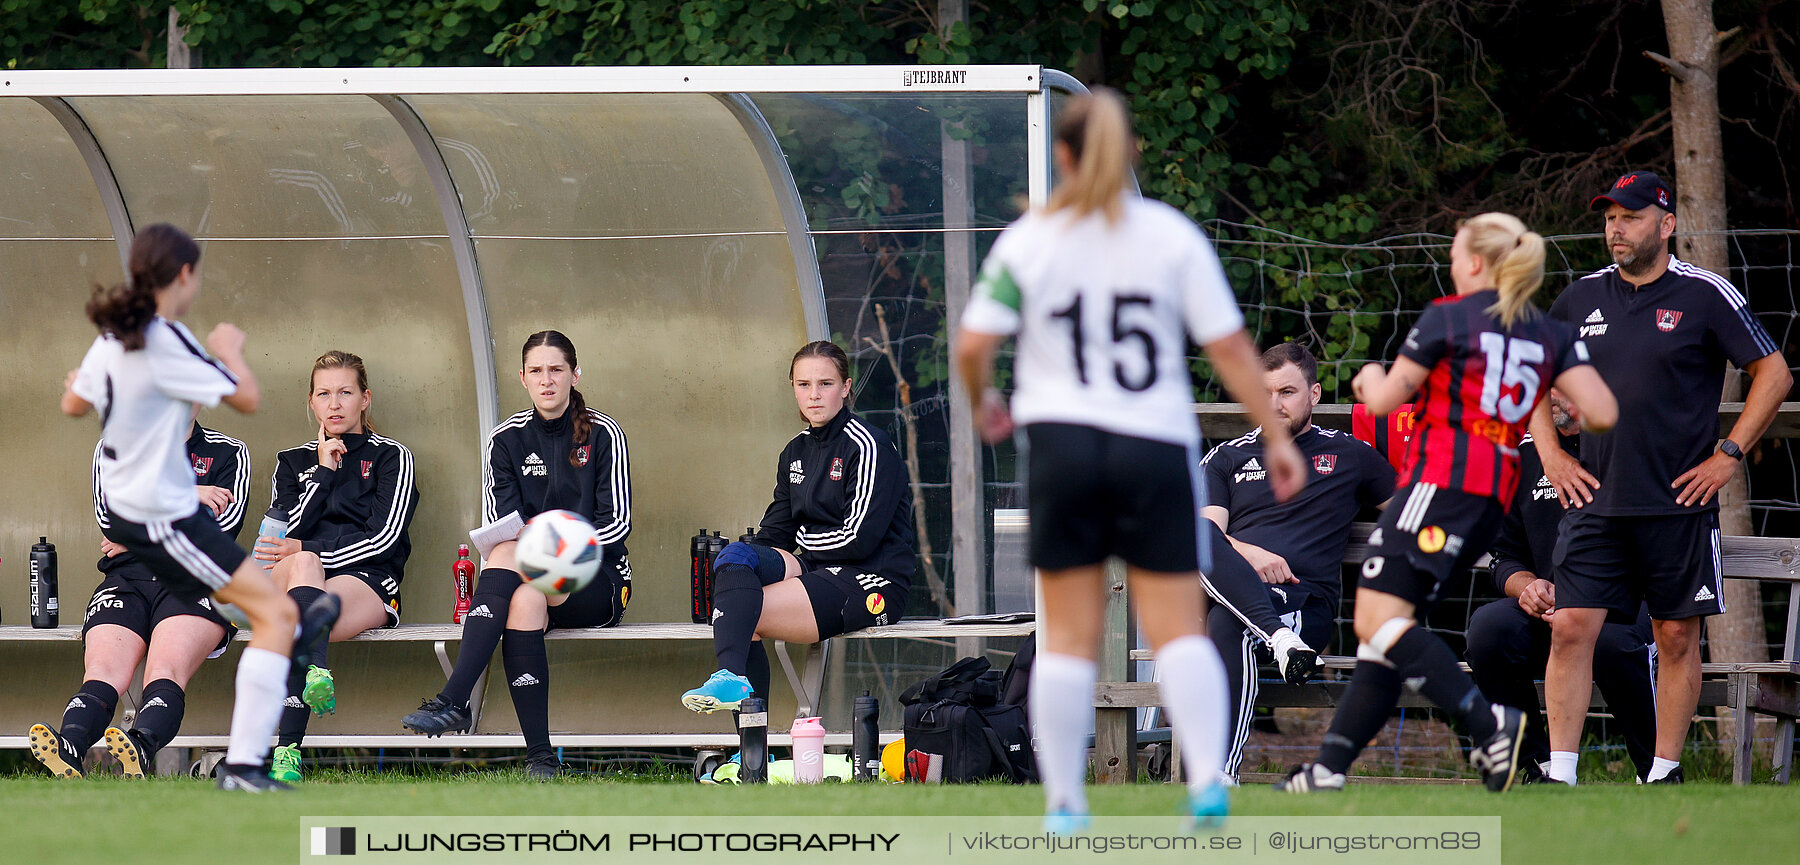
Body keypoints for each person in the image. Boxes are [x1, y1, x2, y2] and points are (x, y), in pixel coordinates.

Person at [954, 87, 1307, 833]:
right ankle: (1208, 782)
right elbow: (1231, 350)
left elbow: (974, 343)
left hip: (1064, 446)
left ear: (1062, 156)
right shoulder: (1169, 235)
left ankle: (1064, 803)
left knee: (1067, 631)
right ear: (1131, 154)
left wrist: (986, 399)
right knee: (1178, 624)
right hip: (1151, 443)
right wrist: (1275, 439)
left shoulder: (1031, 239)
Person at [1279, 211, 1617, 794]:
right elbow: (1603, 412)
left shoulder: (1449, 318)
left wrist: (1364, 379)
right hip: (1492, 494)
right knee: (1388, 632)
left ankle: (1490, 727)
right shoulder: (1550, 334)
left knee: (1374, 620)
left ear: (1478, 264)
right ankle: (1329, 769)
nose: (1451, 263)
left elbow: (1384, 401)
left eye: (1457, 253)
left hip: (1439, 486)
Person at [58, 222, 339, 792]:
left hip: (134, 520)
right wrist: (230, 352)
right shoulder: (171, 339)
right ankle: (246, 764)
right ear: (183, 276)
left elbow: (71, 404)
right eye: (197, 275)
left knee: (272, 614)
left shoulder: (110, 339)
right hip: (167, 520)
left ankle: (246, 754)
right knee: (276, 615)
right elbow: (247, 398)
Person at [1535, 171, 1790, 785]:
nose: (1615, 229)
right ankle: (1561, 773)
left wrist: (1729, 453)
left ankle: (1664, 771)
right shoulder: (1578, 298)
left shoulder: (1706, 294)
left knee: (1675, 635)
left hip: (1679, 500)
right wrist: (1551, 453)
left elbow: (1775, 374)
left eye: (1630, 217)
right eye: (1609, 218)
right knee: (1570, 628)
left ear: (1666, 223)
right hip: (1594, 498)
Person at [402, 331, 631, 780]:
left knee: (513, 555)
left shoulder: (604, 433)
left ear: (574, 374)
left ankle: (454, 699)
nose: (547, 381)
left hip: (596, 579)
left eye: (556, 370)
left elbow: (617, 524)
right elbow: (498, 524)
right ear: (521, 378)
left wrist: (552, 544)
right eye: (536, 371)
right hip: (530, 584)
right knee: (522, 594)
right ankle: (541, 758)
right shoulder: (506, 439)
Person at [678, 340, 914, 720]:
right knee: (735, 556)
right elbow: (776, 531)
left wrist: (800, 550)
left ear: (846, 387)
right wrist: (748, 563)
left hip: (874, 578)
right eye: (804, 385)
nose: (814, 395)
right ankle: (743, 726)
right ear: (793, 388)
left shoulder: (869, 444)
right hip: (819, 569)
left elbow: (859, 537)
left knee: (743, 614)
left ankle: (747, 734)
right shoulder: (795, 451)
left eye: (825, 384)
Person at [1200, 342, 1396, 782]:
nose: (1274, 404)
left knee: (1225, 623)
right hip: (1238, 596)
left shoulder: (1351, 456)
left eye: (1287, 392)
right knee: (1195, 546)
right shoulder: (1226, 457)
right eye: (1264, 393)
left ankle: (1218, 773)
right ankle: (1277, 638)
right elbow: (1206, 534)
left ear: (1315, 394)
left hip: (1305, 604)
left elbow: (1411, 509)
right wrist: (1248, 553)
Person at [28, 417, 248, 779]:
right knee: (103, 671)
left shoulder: (229, 452)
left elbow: (219, 532)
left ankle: (141, 747)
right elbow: (110, 519)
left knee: (165, 671)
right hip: (127, 579)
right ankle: (68, 748)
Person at [1464, 389, 1656, 784]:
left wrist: (1586, 596)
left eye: (1557, 381)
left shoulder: (1625, 442)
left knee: (1608, 645)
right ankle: (1538, 766)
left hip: (1623, 602)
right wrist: (1528, 587)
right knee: (1488, 630)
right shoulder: (1519, 454)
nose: (1546, 392)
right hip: (1549, 608)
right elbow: (1501, 556)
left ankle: (1654, 768)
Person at [258, 350, 419, 782]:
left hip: (364, 581)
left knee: (305, 584)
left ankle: (286, 752)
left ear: (364, 399)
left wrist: (306, 550)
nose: (335, 404)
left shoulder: (392, 457)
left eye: (345, 392)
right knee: (303, 566)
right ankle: (315, 674)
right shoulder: (292, 462)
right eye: (324, 394)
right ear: (311, 402)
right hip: (290, 578)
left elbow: (382, 539)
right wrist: (324, 472)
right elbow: (276, 541)